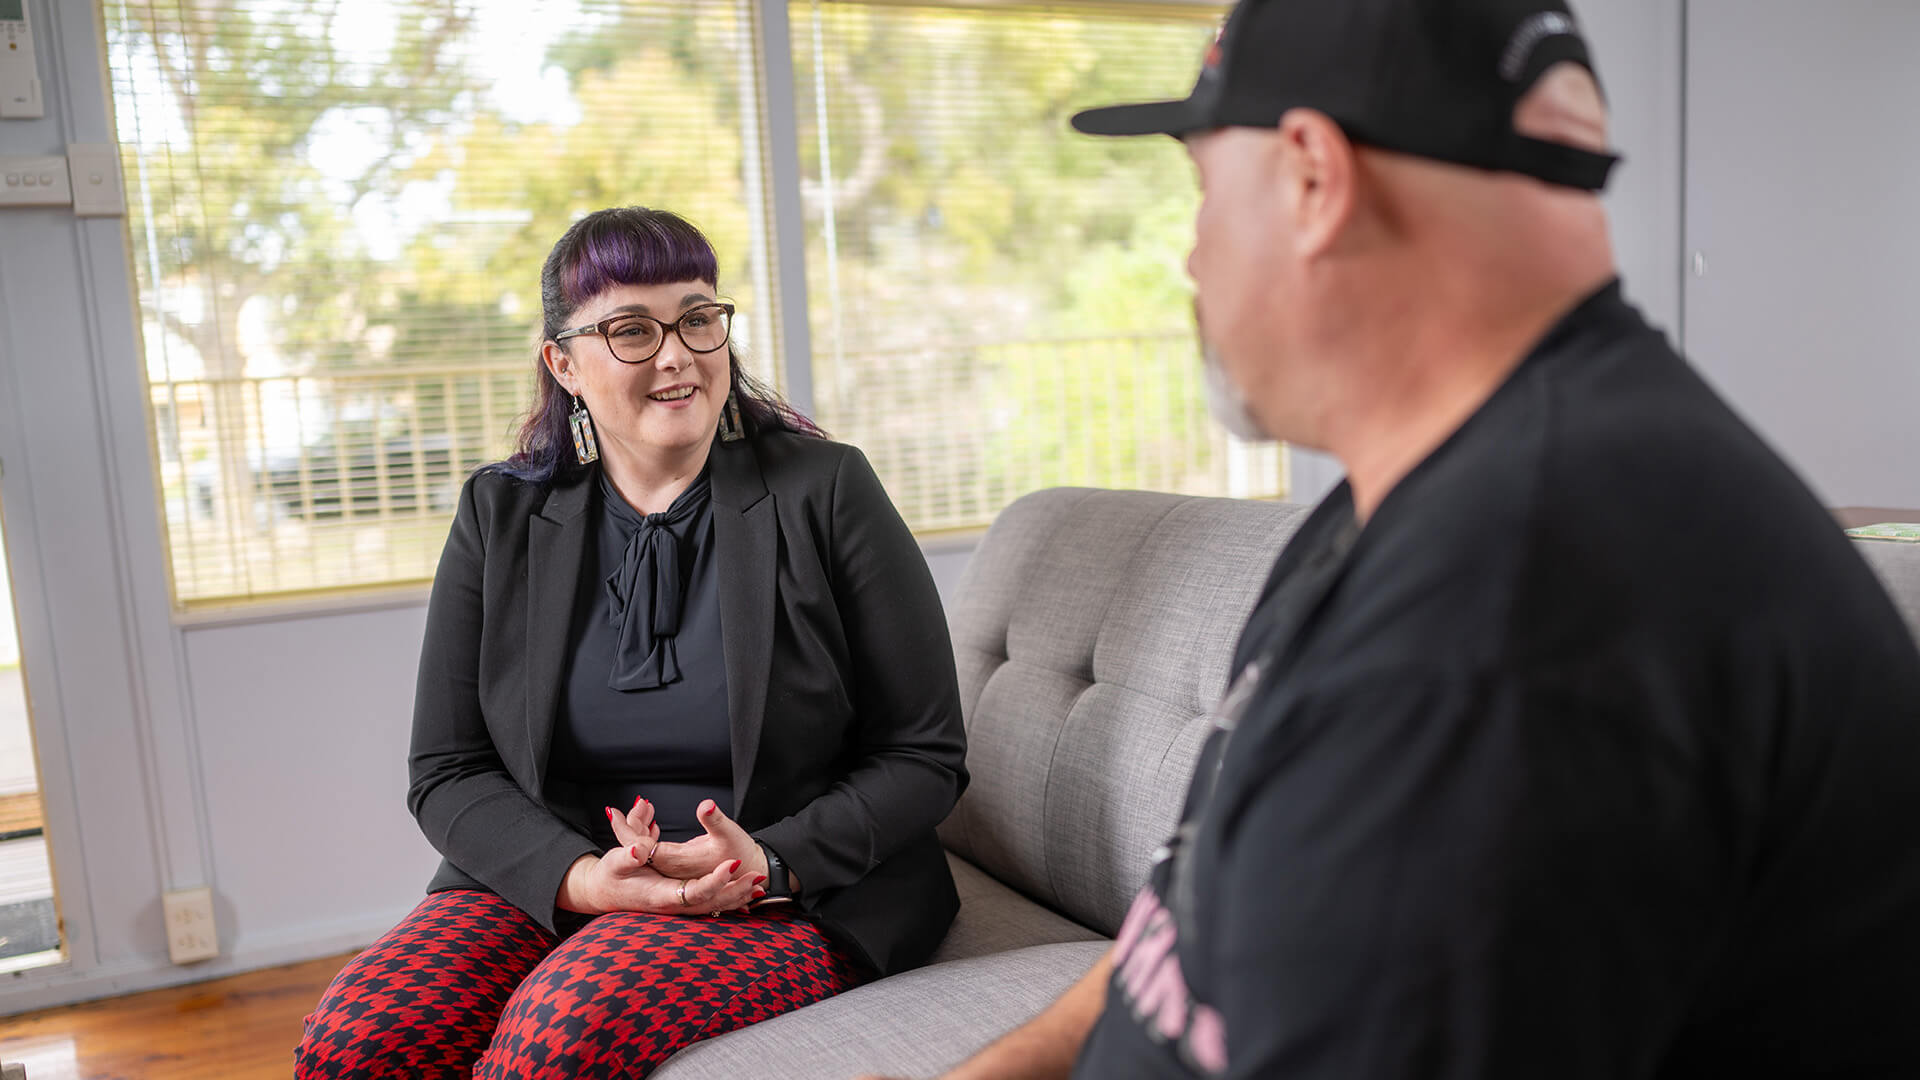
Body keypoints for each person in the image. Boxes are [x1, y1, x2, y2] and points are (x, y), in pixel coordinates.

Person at [870, 1, 1920, 1077]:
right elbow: (1186, 939)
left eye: (1201, 194)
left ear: (1315, 179)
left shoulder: (1518, 614)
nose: (1191, 257)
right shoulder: (1402, 505)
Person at [295, 206, 968, 1079]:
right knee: (359, 1042)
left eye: (697, 318)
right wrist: (582, 879)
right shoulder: (499, 515)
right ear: (563, 364)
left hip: (787, 891)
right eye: (630, 330)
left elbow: (926, 753)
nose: (678, 353)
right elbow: (448, 769)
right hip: (561, 876)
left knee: (558, 1035)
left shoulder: (827, 489)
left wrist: (771, 860)